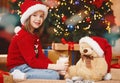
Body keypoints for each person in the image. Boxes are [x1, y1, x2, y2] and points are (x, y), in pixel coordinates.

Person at [7, 0, 68, 80]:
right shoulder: (23, 36)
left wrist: (56, 68)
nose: (38, 19)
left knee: (55, 73)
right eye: (34, 15)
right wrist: (54, 67)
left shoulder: (34, 36)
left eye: (41, 16)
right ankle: (17, 76)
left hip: (29, 66)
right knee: (54, 76)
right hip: (19, 68)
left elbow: (40, 57)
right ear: (28, 17)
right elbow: (32, 61)